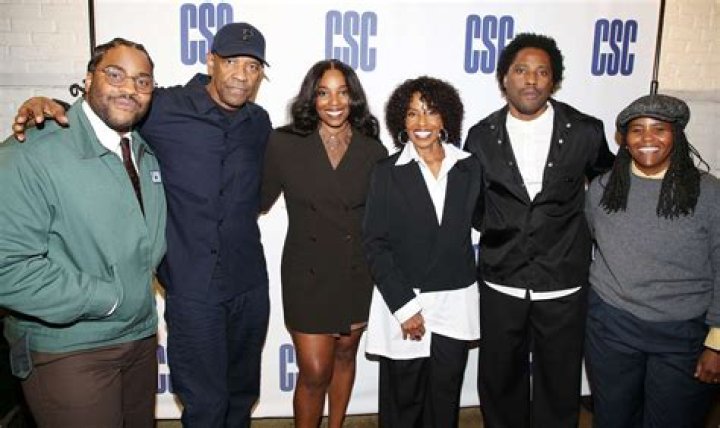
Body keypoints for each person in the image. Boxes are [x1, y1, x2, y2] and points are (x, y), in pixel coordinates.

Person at [12, 22, 272, 428]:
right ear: (211, 62)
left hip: (249, 285)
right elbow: (107, 110)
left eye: (253, 66)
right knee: (205, 406)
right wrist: (48, 106)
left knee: (241, 397)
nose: (242, 74)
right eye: (231, 62)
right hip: (193, 288)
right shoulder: (163, 107)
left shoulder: (259, 122)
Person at [0, 38, 166, 428]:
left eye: (142, 81)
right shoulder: (29, 153)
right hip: (69, 349)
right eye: (115, 75)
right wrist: (108, 299)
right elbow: (7, 269)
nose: (130, 88)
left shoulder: (143, 150)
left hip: (139, 339)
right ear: (88, 80)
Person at [464, 33, 615, 428]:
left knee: (559, 384)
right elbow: (473, 205)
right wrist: (504, 230)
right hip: (501, 280)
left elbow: (610, 191)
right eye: (521, 70)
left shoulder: (585, 131)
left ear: (554, 80)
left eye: (541, 72)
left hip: (563, 281)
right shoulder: (480, 136)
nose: (530, 80)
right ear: (504, 78)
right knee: (499, 381)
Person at [260, 59, 386, 428]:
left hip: (355, 271)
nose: (334, 102)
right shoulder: (284, 143)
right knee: (315, 371)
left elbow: (382, 218)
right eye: (323, 93)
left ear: (353, 98)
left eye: (343, 93)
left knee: (346, 358)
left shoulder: (372, 151)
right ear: (311, 98)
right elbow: (256, 199)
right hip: (307, 275)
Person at [585, 94, 720, 428]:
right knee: (613, 419)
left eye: (659, 129)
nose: (647, 138)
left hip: (683, 334)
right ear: (625, 140)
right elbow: (594, 240)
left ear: (676, 135)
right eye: (637, 130)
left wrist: (716, 344)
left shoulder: (709, 193)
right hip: (612, 328)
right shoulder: (602, 188)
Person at [363, 76, 482, 427]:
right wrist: (405, 307)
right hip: (404, 300)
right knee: (403, 404)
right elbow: (375, 243)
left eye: (430, 112)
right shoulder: (386, 172)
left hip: (455, 302)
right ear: (402, 121)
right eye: (412, 113)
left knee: (444, 401)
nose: (421, 122)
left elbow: (487, 223)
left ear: (446, 118)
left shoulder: (470, 167)